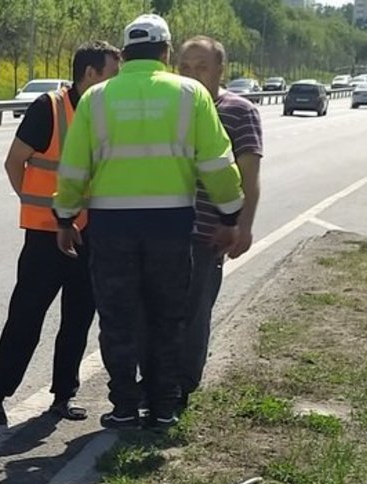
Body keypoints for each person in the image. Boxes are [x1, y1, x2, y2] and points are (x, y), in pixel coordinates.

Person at [54, 13, 244, 429]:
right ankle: (163, 407)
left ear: (124, 54)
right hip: (171, 224)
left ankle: (124, 405)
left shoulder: (97, 98)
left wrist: (65, 217)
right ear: (166, 52)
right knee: (167, 315)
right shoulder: (190, 94)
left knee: (118, 316)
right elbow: (218, 163)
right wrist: (231, 214)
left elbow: (72, 169)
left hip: (110, 225)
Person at [0, 41, 121, 426]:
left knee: (77, 320)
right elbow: (14, 162)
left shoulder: (107, 113)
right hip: (45, 234)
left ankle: (62, 396)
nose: (116, 82)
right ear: (90, 74)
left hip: (90, 234)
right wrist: (34, 203)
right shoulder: (50, 108)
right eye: (112, 74)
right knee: (26, 318)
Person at [174, 36, 262, 404]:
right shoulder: (171, 107)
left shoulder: (239, 111)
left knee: (193, 315)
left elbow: (249, 177)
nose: (192, 75)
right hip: (163, 229)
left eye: (201, 67)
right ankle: (155, 385)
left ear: (220, 70)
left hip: (208, 232)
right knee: (155, 313)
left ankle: (181, 389)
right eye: (185, 68)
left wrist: (244, 225)